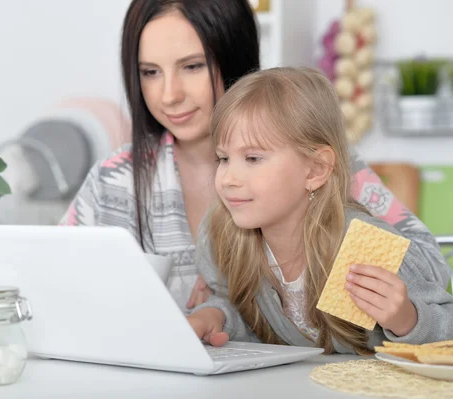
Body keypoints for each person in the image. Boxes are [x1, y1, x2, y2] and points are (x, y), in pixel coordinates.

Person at [59, 0, 447, 316]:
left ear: (235, 57)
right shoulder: (112, 182)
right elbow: (48, 280)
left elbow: (429, 265)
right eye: (150, 72)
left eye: (192, 66)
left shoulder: (312, 161)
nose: (169, 94)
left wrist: (309, 275)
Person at [186, 67, 453, 354]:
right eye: (223, 158)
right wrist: (217, 315)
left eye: (253, 158)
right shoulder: (223, 238)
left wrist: (407, 320)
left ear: (316, 169)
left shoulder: (365, 246)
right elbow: (248, 314)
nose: (228, 179)